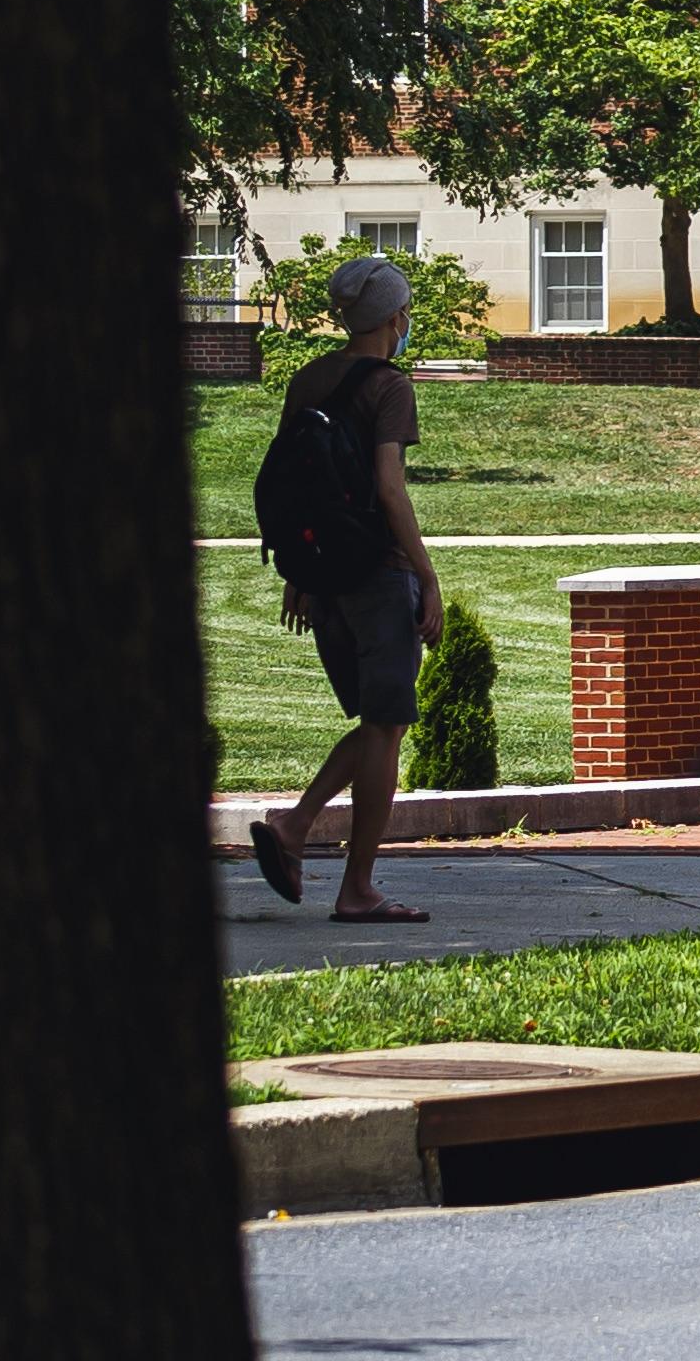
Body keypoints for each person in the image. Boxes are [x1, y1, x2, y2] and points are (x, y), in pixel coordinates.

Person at [250, 252, 441, 923]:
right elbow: (389, 488)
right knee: (387, 727)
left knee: (377, 724)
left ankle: (296, 828)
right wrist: (426, 575)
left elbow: (293, 489)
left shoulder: (307, 380)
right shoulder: (389, 384)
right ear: (395, 315)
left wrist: (299, 575)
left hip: (324, 581)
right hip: (378, 577)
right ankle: (352, 882)